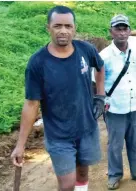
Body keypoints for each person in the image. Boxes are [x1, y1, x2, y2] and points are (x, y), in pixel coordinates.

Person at [10, 6, 105, 191]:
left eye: (68, 26)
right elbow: (31, 104)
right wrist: (20, 145)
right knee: (67, 184)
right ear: (48, 28)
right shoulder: (38, 63)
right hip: (59, 135)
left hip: (87, 127)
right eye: (57, 26)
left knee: (83, 173)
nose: (63, 31)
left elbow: (100, 67)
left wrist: (100, 95)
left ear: (74, 28)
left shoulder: (86, 50)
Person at [100, 15, 136, 190]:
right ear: (111, 32)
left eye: (125, 29)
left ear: (129, 31)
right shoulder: (104, 56)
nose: (122, 33)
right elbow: (97, 82)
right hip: (114, 107)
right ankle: (114, 175)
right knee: (115, 144)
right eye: (118, 29)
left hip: (134, 105)